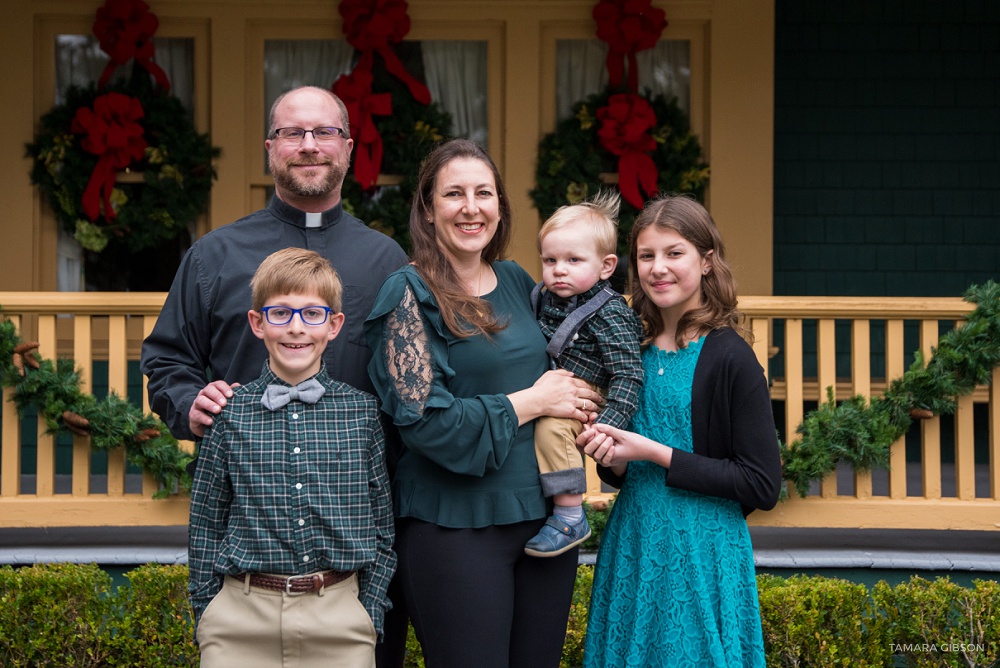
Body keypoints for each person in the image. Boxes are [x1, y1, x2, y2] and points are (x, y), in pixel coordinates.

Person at [363, 138, 605, 668]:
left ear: (500, 205)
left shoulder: (521, 281)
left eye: (484, 193)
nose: (471, 208)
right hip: (453, 529)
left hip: (545, 525)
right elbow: (425, 423)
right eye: (454, 194)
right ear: (427, 208)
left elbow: (580, 357)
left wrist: (583, 398)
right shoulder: (406, 295)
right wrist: (534, 400)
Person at [577, 194, 782, 667]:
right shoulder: (631, 348)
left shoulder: (731, 357)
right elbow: (622, 469)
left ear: (707, 261)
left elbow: (761, 484)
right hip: (635, 540)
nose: (658, 268)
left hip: (704, 547)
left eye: (674, 253)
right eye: (646, 256)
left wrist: (655, 452)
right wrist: (612, 456)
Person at [140, 85, 408, 443]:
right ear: (271, 149)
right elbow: (167, 359)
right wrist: (189, 402)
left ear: (348, 148)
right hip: (244, 478)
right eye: (292, 133)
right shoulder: (215, 254)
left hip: (357, 484)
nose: (309, 145)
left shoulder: (386, 259)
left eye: (325, 132)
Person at [188, 247, 395, 668]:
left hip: (339, 619)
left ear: (334, 325)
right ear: (257, 323)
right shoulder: (229, 413)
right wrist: (207, 613)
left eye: (312, 314)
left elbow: (381, 525)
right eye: (280, 313)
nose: (296, 328)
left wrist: (368, 611)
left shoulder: (362, 412)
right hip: (240, 620)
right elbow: (206, 523)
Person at [523, 190, 643, 557]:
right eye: (550, 259)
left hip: (591, 394)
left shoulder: (611, 312)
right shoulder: (543, 297)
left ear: (606, 266)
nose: (559, 269)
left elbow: (628, 373)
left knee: (552, 430)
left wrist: (607, 425)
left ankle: (570, 513)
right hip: (551, 388)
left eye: (574, 260)